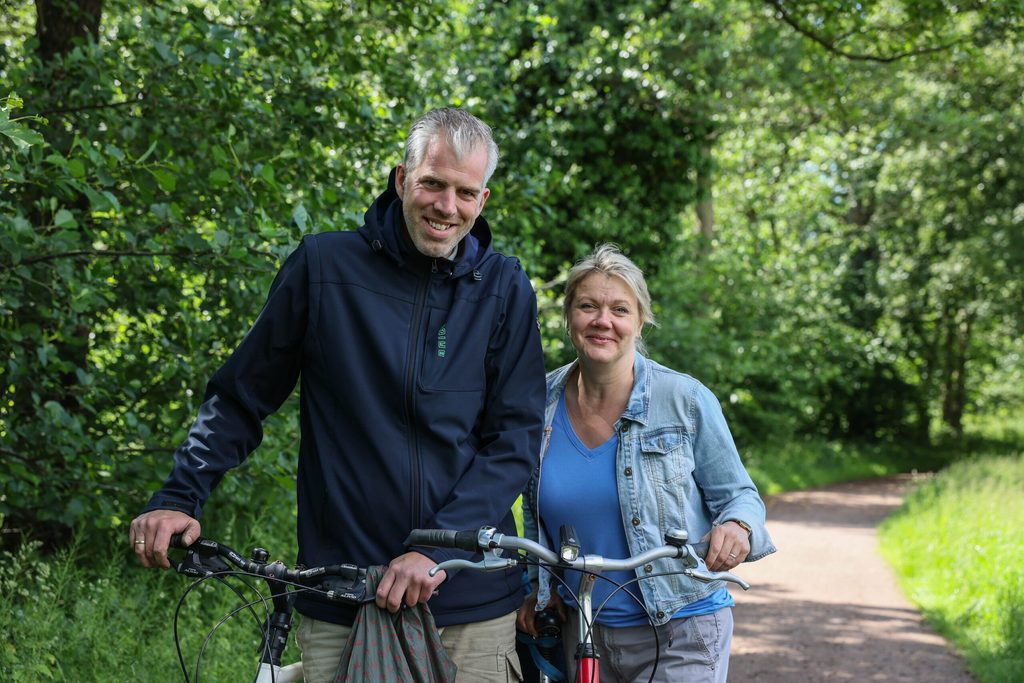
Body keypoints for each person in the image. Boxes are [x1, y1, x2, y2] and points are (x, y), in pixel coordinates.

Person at [130, 108, 547, 682]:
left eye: (464, 192)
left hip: (471, 604)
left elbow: (514, 439)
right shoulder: (323, 267)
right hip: (342, 596)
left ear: (483, 199)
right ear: (401, 179)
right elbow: (239, 398)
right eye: (432, 183)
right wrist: (179, 495)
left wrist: (434, 549)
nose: (446, 207)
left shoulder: (505, 288)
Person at [516, 243, 775, 683]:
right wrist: (534, 590)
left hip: (682, 627)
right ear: (569, 318)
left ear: (640, 321)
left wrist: (739, 527)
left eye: (620, 309)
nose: (603, 321)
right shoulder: (537, 404)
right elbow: (532, 518)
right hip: (583, 634)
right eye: (588, 306)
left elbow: (740, 497)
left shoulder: (685, 400)